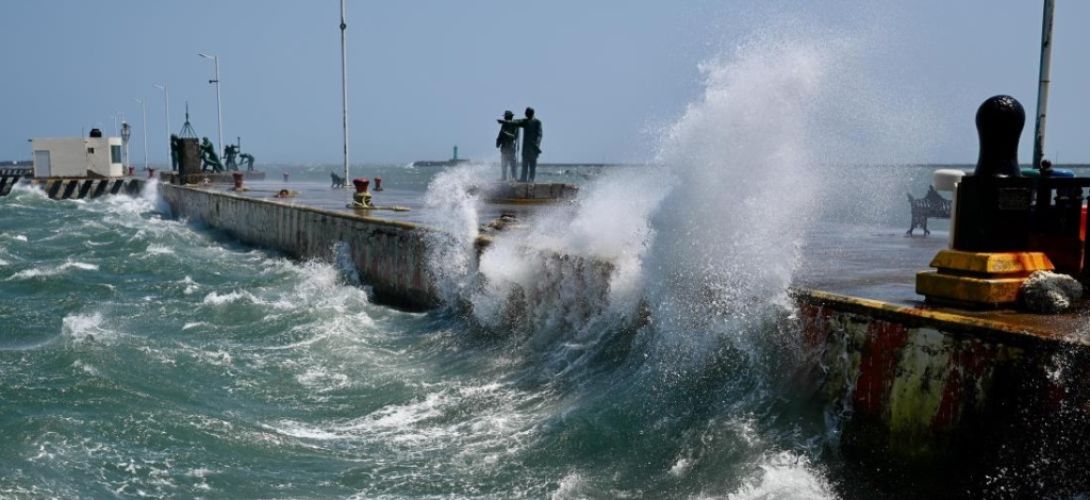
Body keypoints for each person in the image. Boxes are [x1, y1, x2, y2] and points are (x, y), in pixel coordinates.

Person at [498, 107, 542, 182]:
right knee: (524, 165)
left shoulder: (537, 122)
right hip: (524, 149)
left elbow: (539, 135)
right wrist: (504, 122)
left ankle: (531, 179)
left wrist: (536, 145)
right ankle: (523, 179)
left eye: (526, 112)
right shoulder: (524, 121)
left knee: (532, 166)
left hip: (533, 148)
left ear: (531, 113)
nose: (525, 114)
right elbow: (514, 122)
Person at [495, 110, 519, 180]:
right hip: (504, 147)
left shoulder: (515, 125)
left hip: (511, 147)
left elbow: (515, 136)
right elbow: (500, 134)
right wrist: (498, 142)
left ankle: (514, 177)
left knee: (512, 164)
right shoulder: (504, 125)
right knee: (504, 164)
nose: (505, 118)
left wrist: (506, 134)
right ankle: (503, 177)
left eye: (506, 117)